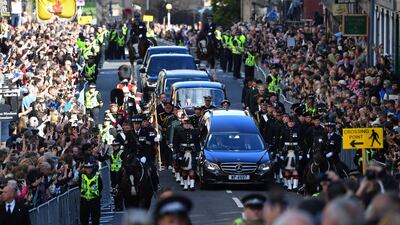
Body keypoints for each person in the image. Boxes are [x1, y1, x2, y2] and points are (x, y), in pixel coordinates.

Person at [173, 118, 200, 191]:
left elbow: (197, 143)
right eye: (185, 124)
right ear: (183, 125)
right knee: (183, 169)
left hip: (192, 152)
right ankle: (185, 185)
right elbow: (176, 143)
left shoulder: (194, 132)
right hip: (182, 153)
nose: (187, 125)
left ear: (190, 124)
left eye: (188, 124)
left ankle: (192, 186)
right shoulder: (180, 132)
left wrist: (198, 153)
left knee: (192, 168)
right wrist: (177, 153)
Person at [79, 160, 103, 225]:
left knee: (95, 219)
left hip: (94, 200)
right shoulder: (81, 176)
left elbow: (100, 186)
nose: (88, 169)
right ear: (85, 168)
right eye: (87, 168)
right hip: (84, 201)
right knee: (84, 220)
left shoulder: (97, 175)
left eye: (90, 168)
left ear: (92, 168)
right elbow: (79, 186)